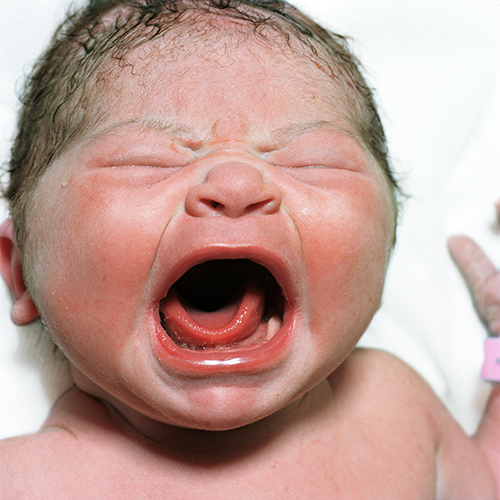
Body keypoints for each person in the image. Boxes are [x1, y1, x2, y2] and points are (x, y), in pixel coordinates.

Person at [0, 0, 498, 497]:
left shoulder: (395, 411)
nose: (237, 182)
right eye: (145, 161)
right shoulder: (24, 480)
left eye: (310, 162)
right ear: (22, 271)